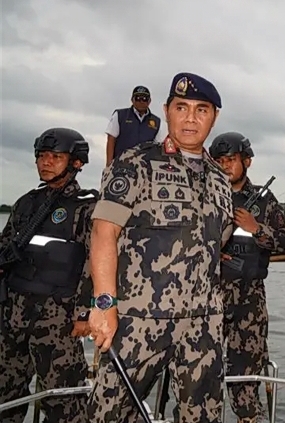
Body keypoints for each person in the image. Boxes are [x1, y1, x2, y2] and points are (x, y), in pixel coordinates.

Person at [86, 72, 234, 423]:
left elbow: (218, 240)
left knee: (203, 416)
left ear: (214, 117)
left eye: (202, 110)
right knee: (110, 414)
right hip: (139, 320)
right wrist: (104, 304)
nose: (191, 118)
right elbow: (103, 233)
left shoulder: (220, 178)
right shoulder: (137, 162)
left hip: (204, 323)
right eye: (181, 107)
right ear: (166, 111)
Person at [0, 128, 97, 423]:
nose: (46, 162)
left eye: (56, 157)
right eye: (42, 156)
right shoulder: (26, 204)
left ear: (76, 162)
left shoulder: (87, 207)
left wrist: (83, 313)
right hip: (13, 314)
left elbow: (95, 263)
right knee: (6, 394)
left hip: (57, 319)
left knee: (64, 401)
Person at [209, 131, 285, 423]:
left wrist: (256, 228)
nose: (224, 166)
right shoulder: (203, 196)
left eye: (230, 160)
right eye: (219, 161)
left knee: (246, 380)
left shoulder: (264, 201)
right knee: (201, 376)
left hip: (249, 300)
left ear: (246, 161)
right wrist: (212, 253)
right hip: (208, 299)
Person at [105, 85, 163, 165]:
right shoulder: (120, 115)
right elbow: (111, 139)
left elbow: (158, 147)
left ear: (149, 101)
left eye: (144, 99)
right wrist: (109, 164)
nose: (141, 101)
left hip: (145, 168)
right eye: (138, 98)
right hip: (120, 165)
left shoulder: (157, 121)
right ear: (132, 100)